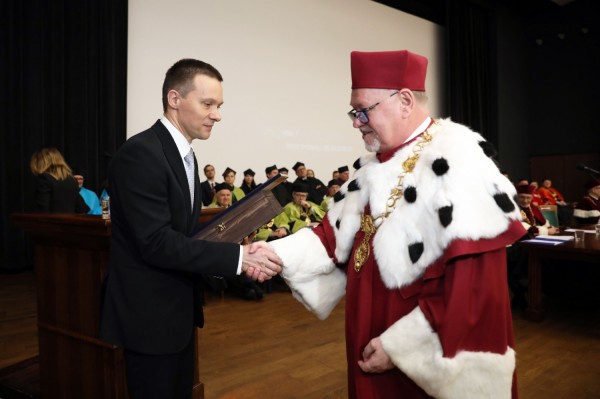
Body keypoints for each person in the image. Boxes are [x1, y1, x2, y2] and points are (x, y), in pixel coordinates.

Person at [268, 50, 525, 398]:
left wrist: (401, 347)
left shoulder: (458, 161)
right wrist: (269, 254)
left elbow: (476, 285)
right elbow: (332, 236)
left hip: (422, 355)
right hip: (368, 327)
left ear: (404, 101)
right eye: (353, 112)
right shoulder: (373, 167)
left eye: (363, 111)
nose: (356, 122)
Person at [99, 58, 282, 399]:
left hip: (177, 314)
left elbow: (183, 234)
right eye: (208, 104)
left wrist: (233, 244)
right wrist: (239, 259)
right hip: (148, 318)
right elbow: (155, 242)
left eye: (219, 105)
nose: (217, 115)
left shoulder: (186, 156)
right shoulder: (140, 153)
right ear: (175, 99)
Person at [30, 147, 90, 213]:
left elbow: (42, 210)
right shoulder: (72, 181)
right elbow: (83, 208)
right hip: (70, 222)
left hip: (50, 222)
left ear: (39, 162)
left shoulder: (44, 179)